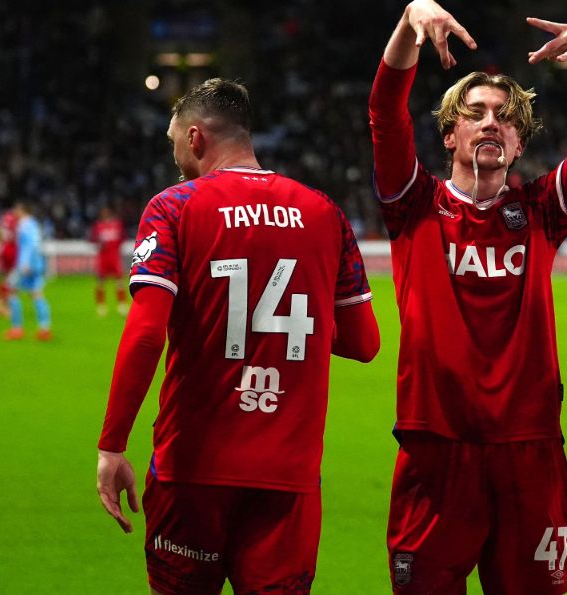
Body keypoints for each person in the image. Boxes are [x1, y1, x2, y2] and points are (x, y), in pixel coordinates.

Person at [369, 0, 567, 593]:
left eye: (505, 116)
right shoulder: (414, 204)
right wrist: (410, 18)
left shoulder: (540, 211)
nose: (491, 121)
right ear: (451, 132)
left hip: (528, 448)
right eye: (477, 111)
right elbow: (385, 112)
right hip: (435, 447)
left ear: (519, 140)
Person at [96, 79, 381, 594]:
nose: (175, 154)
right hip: (288, 475)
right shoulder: (324, 212)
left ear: (197, 138)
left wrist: (113, 445)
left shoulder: (173, 206)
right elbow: (364, 344)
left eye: (174, 141)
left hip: (192, 470)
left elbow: (145, 334)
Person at [3, 202, 52, 341]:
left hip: (26, 265)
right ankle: (44, 329)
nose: (14, 212)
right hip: (35, 264)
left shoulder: (26, 225)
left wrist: (25, 263)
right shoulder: (32, 224)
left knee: (12, 290)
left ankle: (17, 328)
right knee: (37, 294)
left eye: (16, 209)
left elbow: (31, 245)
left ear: (23, 210)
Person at [90, 206, 128, 316]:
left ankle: (122, 305)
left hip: (114, 257)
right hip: (103, 258)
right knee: (100, 283)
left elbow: (122, 238)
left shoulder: (117, 225)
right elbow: (93, 239)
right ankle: (101, 306)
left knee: (119, 282)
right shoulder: (98, 226)